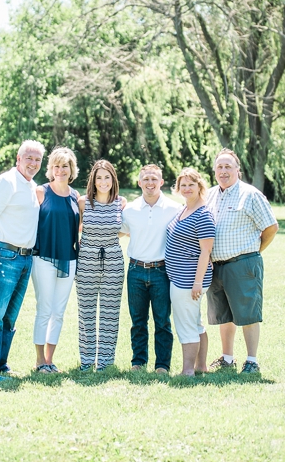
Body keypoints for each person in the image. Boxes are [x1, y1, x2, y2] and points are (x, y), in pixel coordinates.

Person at [0, 140, 45, 380]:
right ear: (18, 158)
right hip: (4, 256)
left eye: (37, 160)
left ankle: (0, 365)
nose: (33, 163)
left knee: (9, 317)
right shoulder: (6, 182)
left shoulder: (30, 186)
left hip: (25, 259)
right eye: (29, 158)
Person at [205, 149, 278, 374]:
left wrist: (255, 251)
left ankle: (252, 361)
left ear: (238, 170)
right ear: (215, 171)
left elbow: (271, 227)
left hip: (243, 263)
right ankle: (227, 358)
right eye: (220, 167)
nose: (224, 171)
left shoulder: (250, 195)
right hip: (216, 267)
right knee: (224, 315)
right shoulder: (208, 195)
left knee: (247, 314)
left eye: (228, 167)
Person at [121, 164, 181, 374]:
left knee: (162, 321)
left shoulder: (174, 209)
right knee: (138, 321)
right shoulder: (129, 210)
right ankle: (138, 362)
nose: (150, 183)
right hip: (136, 270)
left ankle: (162, 365)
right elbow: (119, 231)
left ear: (161, 182)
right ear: (139, 183)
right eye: (146, 179)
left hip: (162, 271)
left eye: (154, 179)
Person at [31, 146, 80, 373]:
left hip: (69, 259)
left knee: (59, 312)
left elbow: (79, 226)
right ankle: (40, 360)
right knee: (45, 309)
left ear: (72, 169)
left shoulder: (75, 196)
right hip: (44, 258)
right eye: (56, 166)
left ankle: (50, 360)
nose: (60, 170)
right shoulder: (41, 192)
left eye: (65, 166)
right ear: (50, 169)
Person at [76, 160, 127, 371]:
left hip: (114, 261)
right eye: (99, 178)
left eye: (107, 177)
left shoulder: (121, 203)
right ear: (93, 180)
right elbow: (76, 229)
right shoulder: (82, 202)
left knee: (110, 312)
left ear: (113, 179)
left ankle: (105, 362)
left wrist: (108, 238)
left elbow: (125, 229)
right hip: (86, 260)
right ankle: (87, 361)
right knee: (86, 311)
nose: (103, 181)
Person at [166, 168, 215, 376]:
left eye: (191, 185)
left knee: (186, 326)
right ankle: (200, 366)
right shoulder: (184, 209)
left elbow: (206, 251)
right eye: (183, 185)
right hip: (181, 277)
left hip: (188, 281)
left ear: (199, 186)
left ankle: (187, 371)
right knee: (195, 323)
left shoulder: (203, 215)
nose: (186, 188)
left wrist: (197, 282)